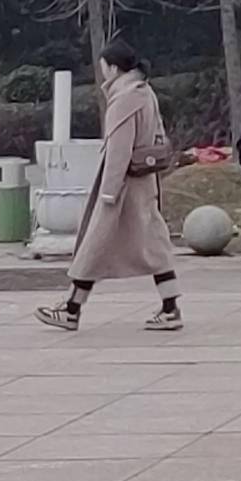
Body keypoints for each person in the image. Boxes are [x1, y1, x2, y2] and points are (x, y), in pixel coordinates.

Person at [39, 45, 182, 333]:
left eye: (104, 65)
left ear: (114, 68)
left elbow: (119, 149)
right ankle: (170, 307)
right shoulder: (144, 92)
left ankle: (71, 309)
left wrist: (109, 190)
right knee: (154, 244)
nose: (102, 71)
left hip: (123, 186)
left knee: (95, 244)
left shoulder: (124, 99)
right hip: (144, 182)